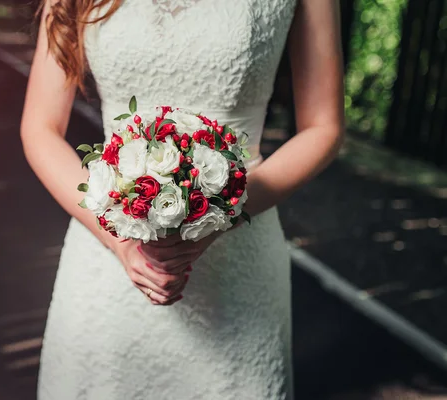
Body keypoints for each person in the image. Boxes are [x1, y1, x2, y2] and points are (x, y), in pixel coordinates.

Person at [21, 0, 344, 398]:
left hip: (240, 257)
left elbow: (324, 127)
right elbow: (41, 127)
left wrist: (224, 213)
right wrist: (120, 242)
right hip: (106, 255)